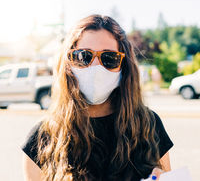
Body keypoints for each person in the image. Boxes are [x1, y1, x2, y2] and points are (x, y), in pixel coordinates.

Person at [22, 15, 173, 181]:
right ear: (67, 63)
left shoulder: (148, 125)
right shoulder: (43, 136)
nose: (95, 68)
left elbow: (165, 174)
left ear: (124, 66)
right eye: (83, 56)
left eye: (109, 58)